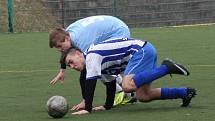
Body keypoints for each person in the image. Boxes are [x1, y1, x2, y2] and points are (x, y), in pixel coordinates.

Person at [61, 38, 197, 115]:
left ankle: (167, 67)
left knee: (127, 85)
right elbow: (110, 84)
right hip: (143, 53)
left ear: (79, 53)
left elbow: (90, 83)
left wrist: (87, 109)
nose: (72, 67)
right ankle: (185, 93)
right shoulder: (98, 65)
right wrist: (107, 106)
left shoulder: (91, 56)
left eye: (71, 62)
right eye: (69, 66)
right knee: (143, 96)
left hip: (141, 51)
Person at [49, 15, 136, 110]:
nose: (59, 50)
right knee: (98, 65)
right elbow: (66, 53)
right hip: (112, 28)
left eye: (60, 46)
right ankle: (126, 92)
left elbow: (87, 71)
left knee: (97, 65)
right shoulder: (67, 33)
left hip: (118, 32)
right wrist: (62, 70)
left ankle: (122, 92)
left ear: (67, 39)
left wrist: (85, 101)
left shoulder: (82, 42)